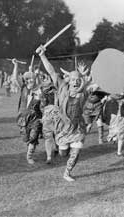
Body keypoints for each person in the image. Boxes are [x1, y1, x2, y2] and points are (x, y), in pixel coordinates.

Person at [37, 45, 89, 182]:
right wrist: (42, 55)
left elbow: (97, 85)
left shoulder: (84, 93)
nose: (75, 82)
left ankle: (67, 173)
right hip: (62, 127)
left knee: (76, 151)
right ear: (68, 80)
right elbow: (51, 71)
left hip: (77, 127)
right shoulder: (61, 86)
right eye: (73, 80)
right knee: (63, 153)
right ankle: (61, 150)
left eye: (78, 80)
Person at [12, 59, 42, 164]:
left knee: (33, 137)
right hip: (23, 117)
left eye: (32, 79)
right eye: (27, 79)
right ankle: (29, 147)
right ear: (25, 80)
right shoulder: (23, 87)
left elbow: (44, 102)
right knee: (26, 139)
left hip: (35, 118)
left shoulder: (39, 89)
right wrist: (15, 65)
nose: (30, 81)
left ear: (34, 80)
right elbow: (15, 78)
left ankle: (29, 156)